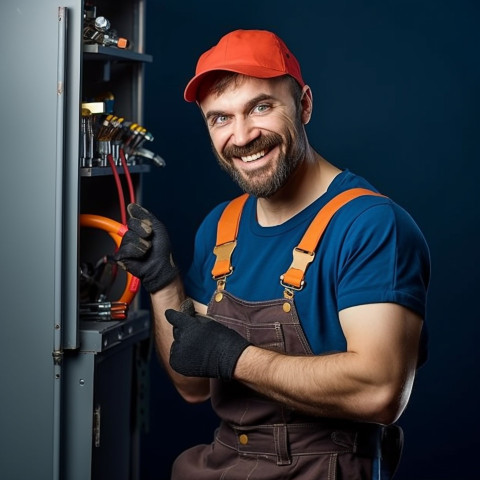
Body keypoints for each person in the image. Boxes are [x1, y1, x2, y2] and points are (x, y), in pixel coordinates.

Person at [115, 29, 430, 479]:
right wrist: (163, 283)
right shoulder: (221, 228)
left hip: (324, 469)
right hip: (223, 463)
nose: (242, 136)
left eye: (261, 107)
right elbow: (193, 384)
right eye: (220, 118)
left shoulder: (371, 226)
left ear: (303, 105)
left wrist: (237, 358)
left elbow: (380, 392)